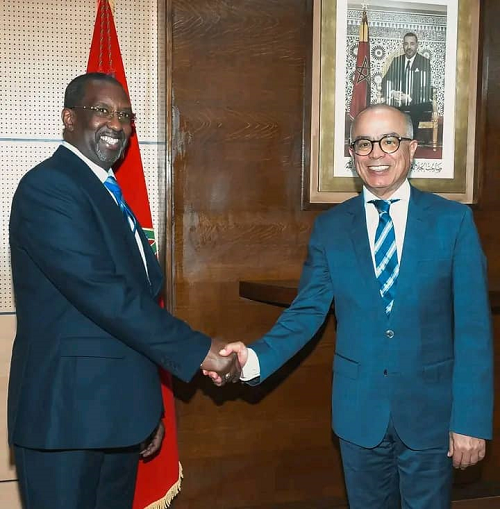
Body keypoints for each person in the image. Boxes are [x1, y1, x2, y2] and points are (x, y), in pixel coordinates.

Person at [209, 105, 494, 508]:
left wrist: (470, 420)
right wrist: (252, 359)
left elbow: (473, 329)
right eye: (363, 143)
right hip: (359, 414)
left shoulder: (453, 222)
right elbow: (307, 311)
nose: (376, 154)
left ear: (412, 148)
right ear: (352, 153)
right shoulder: (331, 228)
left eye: (389, 141)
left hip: (432, 415)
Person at [8, 72, 240, 509]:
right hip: (66, 420)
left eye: (125, 115)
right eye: (102, 110)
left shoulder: (107, 191)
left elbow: (137, 303)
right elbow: (104, 294)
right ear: (69, 118)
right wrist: (199, 350)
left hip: (117, 418)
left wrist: (144, 407)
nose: (116, 123)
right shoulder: (49, 187)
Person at [381, 32, 432, 138]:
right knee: (388, 106)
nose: (409, 47)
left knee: (415, 107)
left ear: (417, 45)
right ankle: (392, 138)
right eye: (406, 44)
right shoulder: (397, 61)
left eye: (412, 44)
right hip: (398, 100)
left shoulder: (424, 62)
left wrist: (408, 97)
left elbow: (425, 87)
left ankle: (410, 140)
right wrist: (392, 92)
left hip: (416, 101)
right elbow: (385, 81)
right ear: (403, 45)